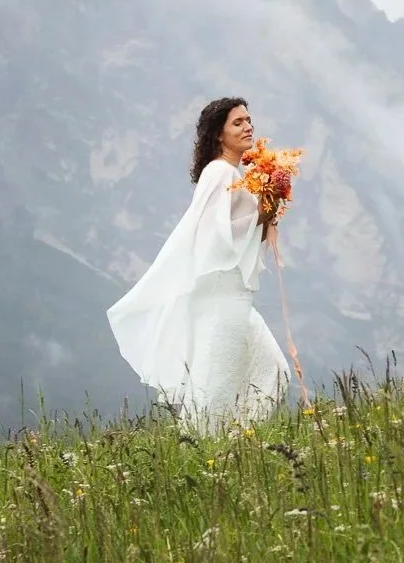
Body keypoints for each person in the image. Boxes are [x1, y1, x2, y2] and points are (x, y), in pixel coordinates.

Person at [107, 97, 291, 434]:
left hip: (236, 299)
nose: (248, 126)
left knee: (273, 373)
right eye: (237, 122)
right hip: (222, 300)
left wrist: (271, 201)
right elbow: (214, 235)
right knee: (215, 395)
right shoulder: (219, 172)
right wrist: (262, 209)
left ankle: (235, 444)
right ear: (218, 134)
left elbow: (247, 236)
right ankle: (209, 450)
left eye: (249, 120)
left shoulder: (235, 174)